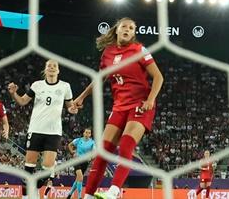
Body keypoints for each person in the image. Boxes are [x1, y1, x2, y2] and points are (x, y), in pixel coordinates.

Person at [69, 18, 164, 199]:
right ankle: (88, 195)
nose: (127, 29)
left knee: (126, 146)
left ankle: (113, 192)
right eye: (124, 27)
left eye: (131, 28)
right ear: (117, 30)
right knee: (103, 152)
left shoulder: (139, 50)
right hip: (119, 107)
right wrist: (81, 97)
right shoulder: (107, 54)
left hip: (140, 105)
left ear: (133, 33)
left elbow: (158, 77)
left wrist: (151, 99)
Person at [8, 60, 74, 189]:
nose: (52, 68)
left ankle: (36, 189)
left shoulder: (65, 86)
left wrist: (74, 109)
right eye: (49, 66)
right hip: (36, 129)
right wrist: (13, 94)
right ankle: (26, 196)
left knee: (48, 167)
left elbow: (70, 107)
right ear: (45, 69)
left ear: (58, 70)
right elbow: (22, 101)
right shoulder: (37, 85)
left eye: (55, 66)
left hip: (54, 131)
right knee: (29, 165)